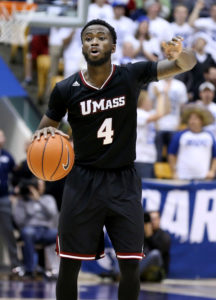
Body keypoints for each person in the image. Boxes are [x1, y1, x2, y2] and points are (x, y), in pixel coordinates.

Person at [31, 19, 196, 300]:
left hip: (123, 180)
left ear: (114, 45)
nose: (94, 41)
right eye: (88, 38)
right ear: (82, 46)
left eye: (101, 37)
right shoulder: (66, 88)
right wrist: (45, 135)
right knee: (69, 265)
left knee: (130, 265)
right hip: (82, 181)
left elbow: (186, 64)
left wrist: (180, 54)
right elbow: (42, 134)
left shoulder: (131, 74)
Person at [12, 178, 58, 278]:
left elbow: (52, 214)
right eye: (38, 185)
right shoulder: (23, 200)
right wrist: (19, 200)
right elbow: (19, 221)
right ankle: (30, 269)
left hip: (46, 230)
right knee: (28, 233)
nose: (41, 187)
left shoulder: (48, 198)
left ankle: (55, 269)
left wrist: (38, 199)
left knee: (61, 234)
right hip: (30, 229)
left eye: (42, 185)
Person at [168, 103, 216, 180]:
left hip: (203, 178)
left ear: (202, 121)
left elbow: (215, 156)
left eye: (195, 118)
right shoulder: (180, 135)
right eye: (190, 118)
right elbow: (171, 154)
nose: (192, 121)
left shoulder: (209, 136)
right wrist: (174, 172)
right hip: (183, 177)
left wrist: (212, 171)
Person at [0, 129, 20, 276]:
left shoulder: (7, 156)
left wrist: (14, 193)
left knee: (8, 231)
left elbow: (16, 175)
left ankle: (15, 265)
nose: (1, 137)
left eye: (2, 134)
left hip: (4, 198)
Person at [140, 211, 171, 281]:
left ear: (159, 220)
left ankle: (129, 276)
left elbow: (160, 252)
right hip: (143, 270)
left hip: (157, 271)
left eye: (155, 219)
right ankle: (118, 273)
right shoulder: (142, 235)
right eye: (151, 220)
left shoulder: (164, 236)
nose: (153, 222)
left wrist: (149, 237)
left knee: (155, 253)